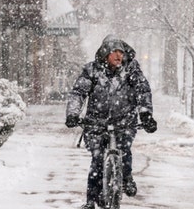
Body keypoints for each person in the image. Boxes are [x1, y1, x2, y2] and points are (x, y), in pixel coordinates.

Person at [65, 34, 158, 209]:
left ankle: (126, 177)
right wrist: (73, 114)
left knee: (124, 150)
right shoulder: (91, 71)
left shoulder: (131, 70)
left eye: (121, 52)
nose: (118, 56)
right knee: (98, 159)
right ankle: (91, 201)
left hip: (124, 121)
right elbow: (78, 93)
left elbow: (143, 91)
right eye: (114, 51)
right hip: (96, 123)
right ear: (105, 53)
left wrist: (146, 115)